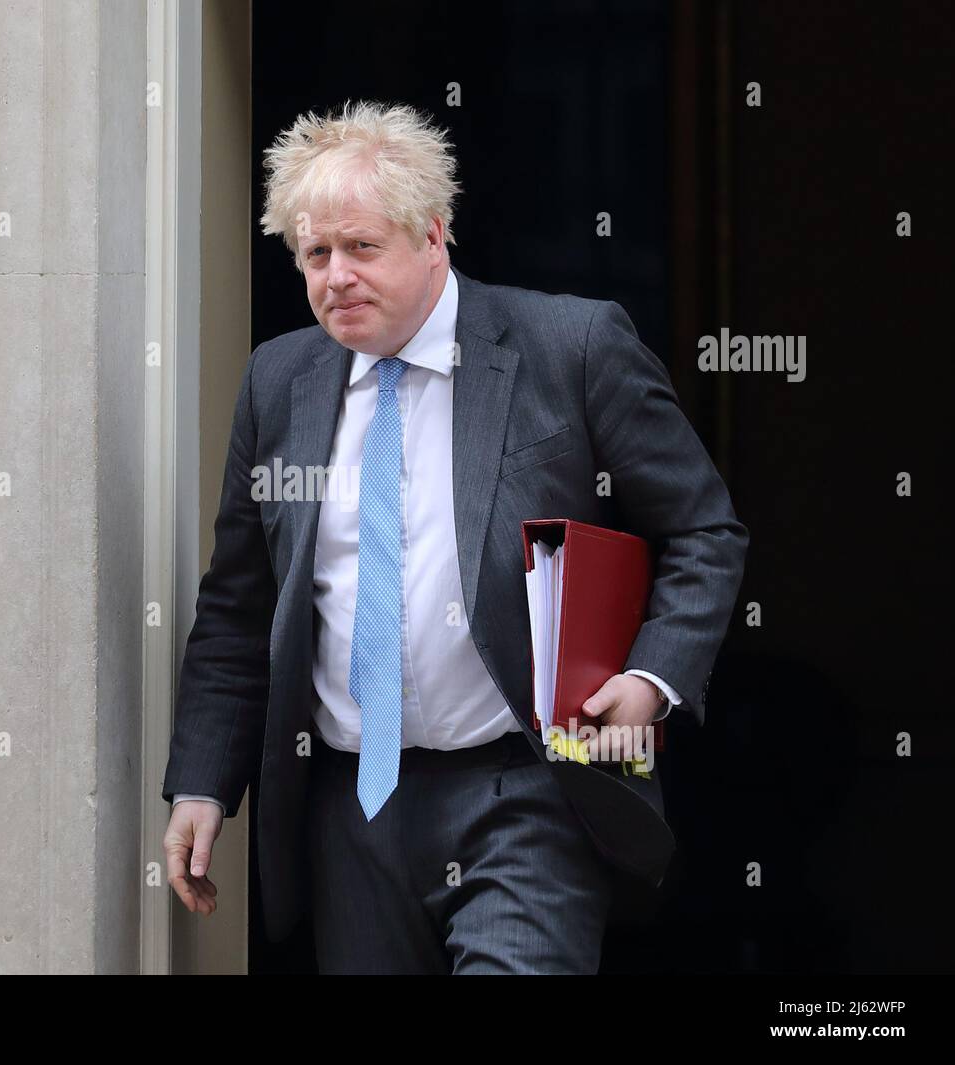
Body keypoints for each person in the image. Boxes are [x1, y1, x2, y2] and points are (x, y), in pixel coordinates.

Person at [161, 99, 747, 974]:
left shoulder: (571, 346)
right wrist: (203, 778)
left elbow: (703, 526)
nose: (336, 277)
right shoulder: (279, 379)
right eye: (314, 254)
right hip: (352, 803)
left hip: (525, 791)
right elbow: (240, 602)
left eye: (362, 247)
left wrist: (651, 678)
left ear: (434, 236)